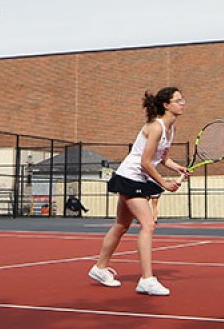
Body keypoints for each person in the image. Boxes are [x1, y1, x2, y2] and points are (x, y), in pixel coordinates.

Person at [89, 87, 188, 296]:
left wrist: (176, 167)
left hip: (136, 177)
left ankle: (99, 268)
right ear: (166, 105)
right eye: (178, 100)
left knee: (121, 225)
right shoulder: (156, 127)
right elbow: (144, 161)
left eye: (182, 100)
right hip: (130, 176)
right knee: (148, 224)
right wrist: (164, 183)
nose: (183, 103)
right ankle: (146, 279)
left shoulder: (171, 128)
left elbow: (161, 158)